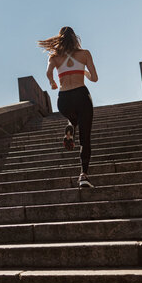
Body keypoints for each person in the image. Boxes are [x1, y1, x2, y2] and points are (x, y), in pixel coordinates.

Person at [38, 26, 98, 188]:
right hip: (81, 95)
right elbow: (95, 78)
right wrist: (84, 73)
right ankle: (83, 175)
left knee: (73, 119)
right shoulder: (85, 54)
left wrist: (52, 82)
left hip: (63, 99)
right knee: (85, 139)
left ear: (60, 39)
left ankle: (70, 129)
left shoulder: (55, 57)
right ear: (75, 38)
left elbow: (48, 72)